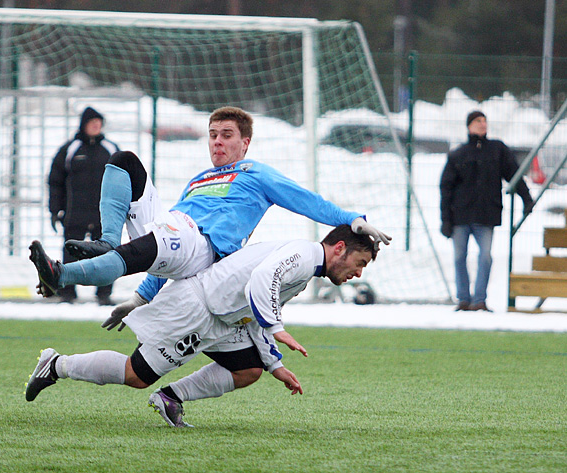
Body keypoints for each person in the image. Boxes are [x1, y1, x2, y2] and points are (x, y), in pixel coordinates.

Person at [30, 106, 391, 307]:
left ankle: (61, 275)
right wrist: (141, 299)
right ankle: (108, 241)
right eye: (213, 135)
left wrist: (352, 220)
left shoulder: (256, 173)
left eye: (227, 135)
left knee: (164, 237)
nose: (217, 142)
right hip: (176, 231)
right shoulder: (199, 179)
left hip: (204, 248)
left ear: (245, 143)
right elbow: (165, 247)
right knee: (124, 161)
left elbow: (307, 201)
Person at [25, 225, 378, 428]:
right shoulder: (304, 255)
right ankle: (57, 364)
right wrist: (277, 326)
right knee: (136, 375)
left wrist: (276, 365)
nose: (358, 273)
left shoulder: (306, 268)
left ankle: (170, 398)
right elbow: (264, 279)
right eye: (359, 263)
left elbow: (255, 307)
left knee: (249, 369)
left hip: (221, 321)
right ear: (340, 248)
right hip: (196, 310)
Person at [440, 110, 534, 312]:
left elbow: (514, 175)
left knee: (485, 257)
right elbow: (446, 188)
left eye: (484, 121)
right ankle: (463, 299)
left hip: (486, 215)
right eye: (477, 121)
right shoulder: (458, 154)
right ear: (469, 126)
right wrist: (446, 219)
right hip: (460, 217)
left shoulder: (497, 150)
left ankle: (479, 300)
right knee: (459, 257)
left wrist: (526, 198)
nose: (482, 124)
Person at [47, 106, 119, 305]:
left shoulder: (112, 149)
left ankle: (104, 294)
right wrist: (55, 210)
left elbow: (125, 181)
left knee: (106, 255)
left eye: (99, 123)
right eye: (92, 123)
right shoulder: (69, 149)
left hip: (103, 215)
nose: (96, 126)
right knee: (71, 253)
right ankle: (67, 293)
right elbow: (55, 181)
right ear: (84, 125)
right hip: (75, 214)